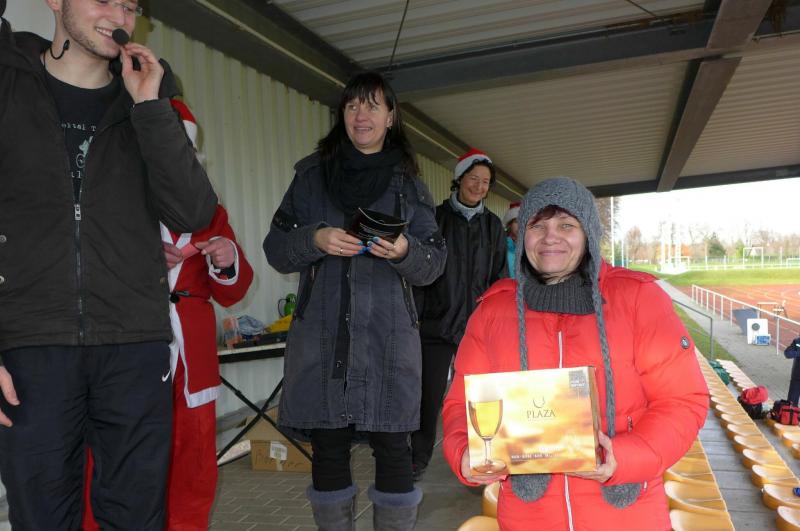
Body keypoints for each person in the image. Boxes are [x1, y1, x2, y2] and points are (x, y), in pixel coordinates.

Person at [0, 1, 218, 529]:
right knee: (41, 518)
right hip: (32, 344)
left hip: (135, 344)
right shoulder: (8, 83)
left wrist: (151, 109)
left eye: (130, 5)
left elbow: (193, 212)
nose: (119, 16)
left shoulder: (148, 96)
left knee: (137, 518)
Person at [441, 177, 709, 530]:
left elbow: (683, 401)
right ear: (522, 236)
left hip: (628, 513)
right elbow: (461, 405)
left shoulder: (638, 299)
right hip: (527, 517)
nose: (550, 237)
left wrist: (627, 457)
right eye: (538, 226)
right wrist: (464, 453)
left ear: (588, 234)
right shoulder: (492, 311)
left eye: (566, 225)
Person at [263, 71, 446, 530]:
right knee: (328, 447)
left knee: (394, 447)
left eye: (372, 106)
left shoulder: (409, 185)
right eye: (352, 106)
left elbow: (433, 263)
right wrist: (314, 238)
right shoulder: (310, 178)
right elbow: (276, 249)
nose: (361, 115)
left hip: (388, 339)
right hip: (323, 338)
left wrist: (403, 251)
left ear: (391, 117)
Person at [82, 100, 253, 531]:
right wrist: (139, 257)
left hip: (191, 357)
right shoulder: (111, 200)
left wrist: (226, 257)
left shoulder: (209, 211)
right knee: (114, 456)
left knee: (193, 462)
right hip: (127, 347)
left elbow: (234, 292)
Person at [411, 148, 506, 479]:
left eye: (485, 182)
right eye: (473, 178)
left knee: (482, 398)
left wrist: (494, 318)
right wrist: (419, 315)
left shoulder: (492, 225)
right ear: (459, 179)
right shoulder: (434, 219)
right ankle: (417, 458)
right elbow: (419, 272)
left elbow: (499, 277)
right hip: (436, 325)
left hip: (477, 327)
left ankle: (486, 455)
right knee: (428, 396)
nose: (479, 186)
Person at [502, 201, 520, 279]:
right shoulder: (501, 244)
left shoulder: (530, 245)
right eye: (516, 222)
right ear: (510, 224)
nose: (520, 225)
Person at [785, 337, 800, 405]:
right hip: (797, 378)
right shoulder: (797, 341)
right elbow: (787, 353)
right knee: (791, 404)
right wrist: (798, 353)